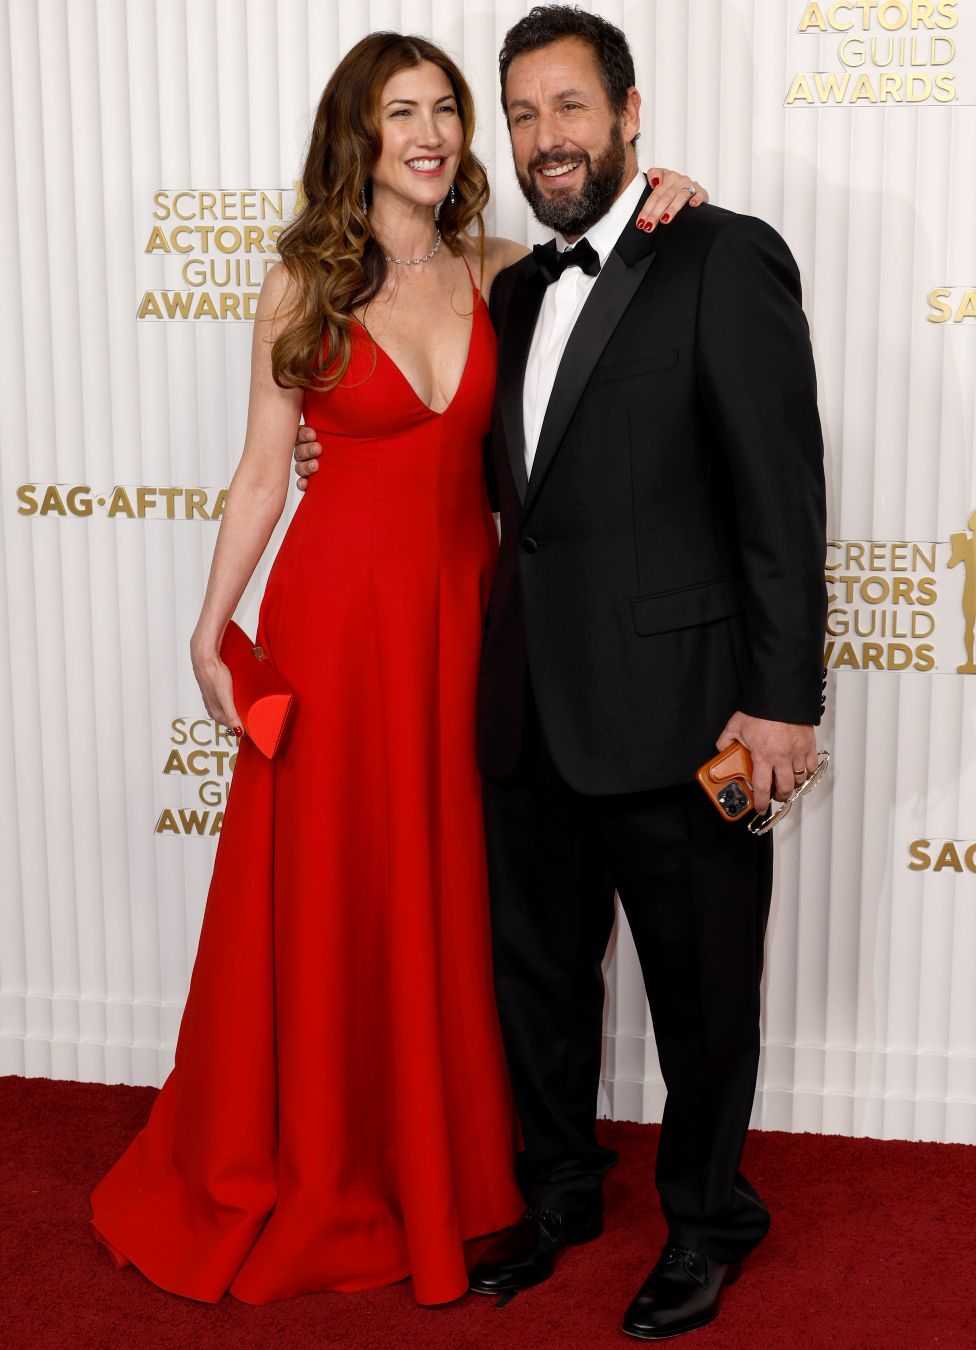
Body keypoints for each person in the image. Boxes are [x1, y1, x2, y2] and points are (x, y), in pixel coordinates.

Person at [90, 30, 704, 1308]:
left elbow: (607, 282)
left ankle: (446, 1160)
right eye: (398, 112)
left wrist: (669, 198)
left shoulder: (499, 273)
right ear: (356, 138)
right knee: (328, 897)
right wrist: (210, 628)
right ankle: (320, 1158)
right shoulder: (300, 284)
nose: (429, 132)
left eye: (443, 110)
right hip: (332, 630)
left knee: (454, 898)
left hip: (461, 632)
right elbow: (267, 467)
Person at [300, 6, 827, 1340]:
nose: (547, 138)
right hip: (526, 706)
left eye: (572, 108)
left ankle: (709, 1222)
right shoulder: (513, 288)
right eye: (523, 113)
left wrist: (783, 700)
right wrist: (328, 460)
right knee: (534, 986)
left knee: (704, 1000)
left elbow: (781, 499)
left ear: (629, 113)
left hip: (681, 709)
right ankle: (561, 1195)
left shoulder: (721, 253)